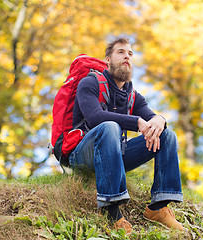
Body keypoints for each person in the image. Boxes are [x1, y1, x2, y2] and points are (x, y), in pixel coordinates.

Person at [69, 38, 184, 234]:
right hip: (83, 154)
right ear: (108, 60)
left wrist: (159, 119)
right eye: (121, 52)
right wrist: (136, 122)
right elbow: (95, 117)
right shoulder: (89, 83)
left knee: (167, 135)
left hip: (114, 156)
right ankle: (112, 211)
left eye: (130, 54)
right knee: (109, 127)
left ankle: (158, 208)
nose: (127, 57)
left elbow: (151, 119)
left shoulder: (134, 96)